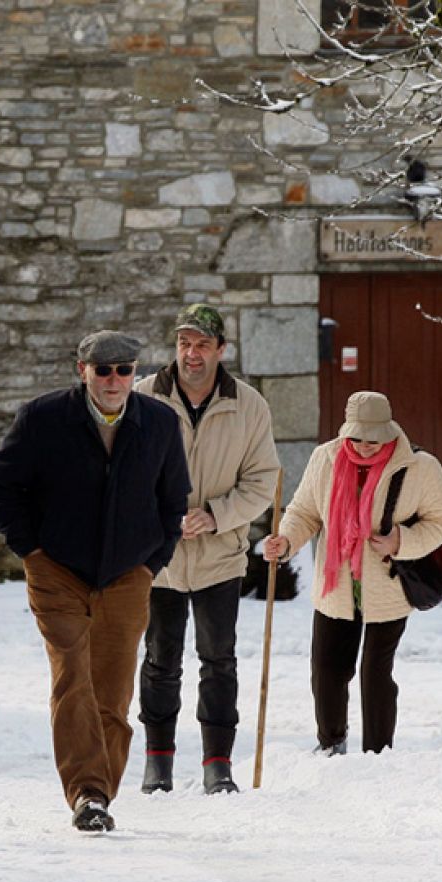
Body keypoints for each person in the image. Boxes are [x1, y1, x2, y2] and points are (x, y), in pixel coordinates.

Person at [0, 330, 190, 832]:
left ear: (135, 374)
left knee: (113, 690)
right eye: (104, 370)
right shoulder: (44, 418)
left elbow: (174, 500)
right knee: (72, 675)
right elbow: (0, 484)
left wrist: (152, 561)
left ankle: (101, 790)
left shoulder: (159, 423)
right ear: (83, 372)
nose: (115, 380)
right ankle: (87, 793)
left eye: (125, 370)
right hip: (57, 570)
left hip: (128, 574)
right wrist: (30, 548)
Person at [133, 304, 279, 796]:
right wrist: (160, 515)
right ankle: (158, 762)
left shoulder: (249, 406)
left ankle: (218, 764)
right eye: (183, 343)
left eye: (201, 345)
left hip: (220, 556)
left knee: (219, 660)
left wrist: (216, 515)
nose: (191, 354)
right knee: (159, 658)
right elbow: (123, 473)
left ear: (221, 349)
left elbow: (263, 481)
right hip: (159, 557)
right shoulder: (144, 397)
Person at [262, 391, 442, 755]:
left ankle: (378, 752)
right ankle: (331, 742)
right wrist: (285, 542)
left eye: (373, 440)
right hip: (336, 585)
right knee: (327, 672)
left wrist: (402, 540)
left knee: (375, 674)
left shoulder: (419, 466)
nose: (364, 448)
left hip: (388, 587)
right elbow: (305, 512)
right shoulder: (326, 458)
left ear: (389, 431)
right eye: (357, 439)